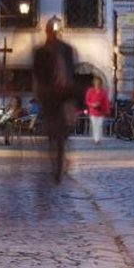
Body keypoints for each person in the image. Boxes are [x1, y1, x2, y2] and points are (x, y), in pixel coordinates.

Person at [32, 17, 80, 183]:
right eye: (51, 31)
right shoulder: (40, 52)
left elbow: (72, 73)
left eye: (55, 31)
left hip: (64, 96)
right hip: (49, 96)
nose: (53, 34)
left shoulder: (66, 50)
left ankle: (59, 161)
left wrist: (72, 98)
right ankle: (56, 161)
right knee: (52, 132)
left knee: (62, 133)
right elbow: (38, 75)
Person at [84, 75, 110, 146]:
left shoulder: (103, 92)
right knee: (94, 125)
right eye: (96, 83)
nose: (98, 84)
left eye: (99, 83)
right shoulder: (90, 91)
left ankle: (98, 139)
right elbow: (87, 100)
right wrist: (92, 104)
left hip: (101, 111)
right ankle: (96, 139)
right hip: (93, 111)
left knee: (100, 125)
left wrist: (107, 110)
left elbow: (106, 102)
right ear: (94, 83)